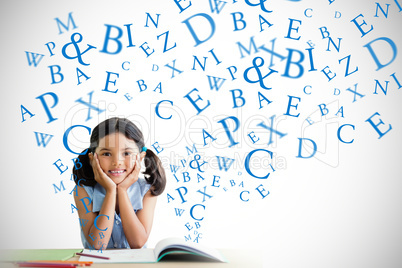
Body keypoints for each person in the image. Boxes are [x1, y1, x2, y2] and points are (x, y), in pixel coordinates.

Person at [72, 117, 166, 250]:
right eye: (106, 153)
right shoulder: (83, 190)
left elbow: (137, 242)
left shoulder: (148, 190)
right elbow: (98, 244)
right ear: (92, 158)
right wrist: (111, 191)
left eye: (127, 153)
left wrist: (122, 190)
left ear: (140, 157)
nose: (117, 162)